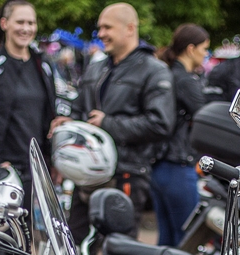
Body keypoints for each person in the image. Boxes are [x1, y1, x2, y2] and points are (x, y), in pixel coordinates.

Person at [59, 2, 175, 240]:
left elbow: (161, 123)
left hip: (127, 174)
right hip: (87, 175)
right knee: (73, 244)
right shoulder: (96, 68)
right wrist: (67, 122)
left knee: (118, 248)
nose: (101, 34)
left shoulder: (154, 70)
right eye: (100, 28)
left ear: (130, 28)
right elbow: (79, 109)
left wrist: (108, 124)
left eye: (107, 27)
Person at [0, 0, 61, 179]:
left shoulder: (43, 65)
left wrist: (52, 160)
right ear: (4, 23)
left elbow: (49, 115)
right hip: (0, 170)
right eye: (20, 22)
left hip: (36, 170)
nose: (26, 29)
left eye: (31, 23)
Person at [151, 24, 209, 246]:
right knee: (186, 242)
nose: (206, 54)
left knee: (166, 241)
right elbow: (205, 116)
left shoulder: (166, 74)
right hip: (178, 166)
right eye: (204, 49)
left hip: (160, 167)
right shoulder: (185, 80)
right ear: (191, 49)